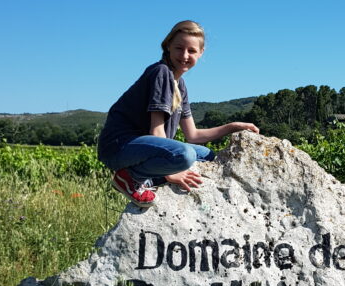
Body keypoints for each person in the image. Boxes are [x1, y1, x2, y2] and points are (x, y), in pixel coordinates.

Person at [97, 20, 259, 206]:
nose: (184, 55)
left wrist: (233, 127)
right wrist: (171, 172)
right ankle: (130, 177)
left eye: (191, 51)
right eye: (179, 48)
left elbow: (194, 135)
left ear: (201, 52)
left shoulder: (180, 84)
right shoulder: (161, 73)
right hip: (119, 148)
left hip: (141, 149)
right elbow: (156, 132)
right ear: (168, 47)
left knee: (206, 155)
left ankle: (151, 179)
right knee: (184, 156)